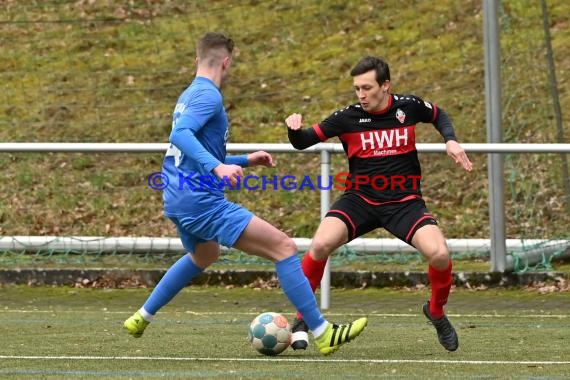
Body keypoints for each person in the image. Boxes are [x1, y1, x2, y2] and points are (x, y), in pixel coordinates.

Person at [123, 32, 367, 355]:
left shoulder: (188, 95)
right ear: (226, 62)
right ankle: (322, 332)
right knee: (284, 247)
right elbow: (180, 135)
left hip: (177, 196)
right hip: (200, 200)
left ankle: (142, 316)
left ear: (197, 60)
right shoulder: (209, 97)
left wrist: (243, 161)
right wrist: (217, 168)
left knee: (204, 255)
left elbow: (193, 149)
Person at [285, 56, 473, 352]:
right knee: (319, 245)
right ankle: (301, 320)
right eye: (357, 88)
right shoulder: (347, 117)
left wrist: (450, 140)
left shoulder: (408, 107)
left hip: (404, 203)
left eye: (367, 88)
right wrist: (294, 130)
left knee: (439, 254)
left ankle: (436, 312)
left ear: (385, 86)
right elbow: (304, 140)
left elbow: (439, 114)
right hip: (359, 200)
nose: (361, 95)